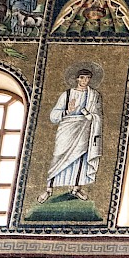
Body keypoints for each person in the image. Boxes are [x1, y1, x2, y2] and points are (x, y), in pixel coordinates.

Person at [37, 69, 102, 205]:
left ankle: (75, 188)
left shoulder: (94, 95)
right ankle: (49, 189)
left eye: (87, 78)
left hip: (84, 127)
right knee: (58, 156)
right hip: (67, 128)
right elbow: (54, 115)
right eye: (82, 78)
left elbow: (98, 114)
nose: (85, 81)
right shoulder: (67, 94)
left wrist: (91, 116)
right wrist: (67, 111)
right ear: (77, 79)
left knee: (80, 157)